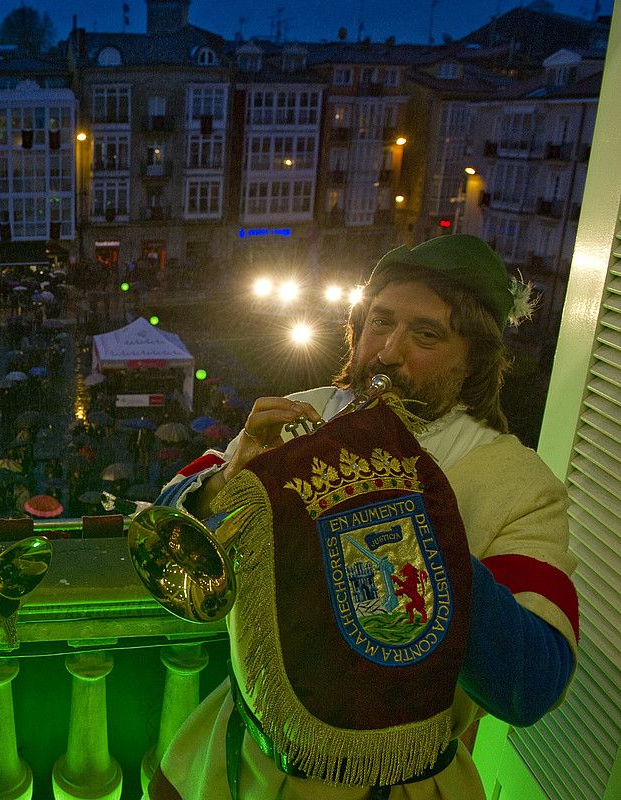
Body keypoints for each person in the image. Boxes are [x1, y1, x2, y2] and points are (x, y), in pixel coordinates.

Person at [146, 234, 579, 800]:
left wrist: (418, 525)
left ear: (474, 360)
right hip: (232, 760)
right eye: (380, 322)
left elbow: (532, 684)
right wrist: (230, 483)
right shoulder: (304, 410)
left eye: (426, 334)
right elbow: (168, 517)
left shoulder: (520, 485)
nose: (388, 352)